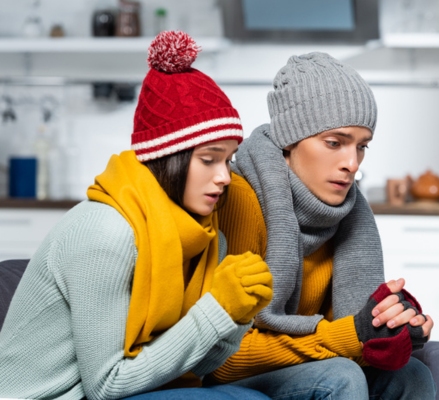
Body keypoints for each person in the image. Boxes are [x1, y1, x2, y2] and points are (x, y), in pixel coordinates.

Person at [0, 31, 272, 400]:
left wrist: (236, 318)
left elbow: (199, 366)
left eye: (227, 160)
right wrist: (216, 308)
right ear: (167, 159)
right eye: (208, 159)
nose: (224, 176)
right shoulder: (106, 233)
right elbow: (106, 384)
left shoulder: (206, 237)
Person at [207, 52, 437, 399]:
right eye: (334, 142)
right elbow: (221, 358)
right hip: (239, 372)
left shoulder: (347, 213)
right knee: (341, 377)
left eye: (362, 147)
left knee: (412, 375)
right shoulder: (239, 198)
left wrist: (392, 328)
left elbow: (350, 329)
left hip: (313, 363)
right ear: (290, 140)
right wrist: (354, 334)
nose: (352, 164)